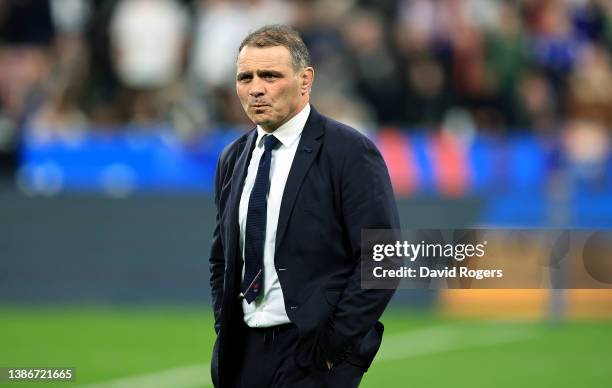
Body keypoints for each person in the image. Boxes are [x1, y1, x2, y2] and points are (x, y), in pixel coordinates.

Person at [209, 24, 400, 388]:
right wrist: (225, 325)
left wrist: (332, 347)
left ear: (305, 80)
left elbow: (383, 258)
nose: (256, 88)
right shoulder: (232, 158)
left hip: (313, 355)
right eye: (245, 77)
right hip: (243, 353)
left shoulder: (349, 152)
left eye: (270, 75)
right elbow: (222, 258)